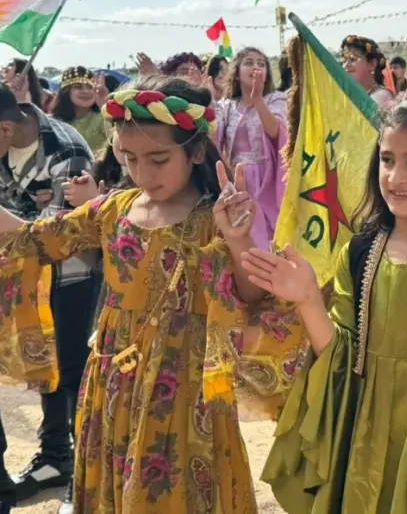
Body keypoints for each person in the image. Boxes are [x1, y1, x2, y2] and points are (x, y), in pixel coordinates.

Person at [0, 76, 305, 512]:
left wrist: (238, 239)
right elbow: (33, 238)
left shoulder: (213, 218)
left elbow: (251, 298)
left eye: (158, 159)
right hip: (114, 377)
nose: (143, 173)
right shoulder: (113, 209)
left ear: (195, 152)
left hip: (186, 382)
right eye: (129, 158)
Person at [247, 94, 407, 513]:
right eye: (387, 159)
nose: (396, 176)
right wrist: (308, 299)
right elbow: (340, 353)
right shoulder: (359, 251)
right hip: (359, 431)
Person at [0, 82, 99, 514]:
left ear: (5, 129)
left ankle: (85, 477)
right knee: (46, 366)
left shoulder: (64, 150)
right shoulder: (7, 142)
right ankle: (56, 457)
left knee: (74, 370)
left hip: (70, 275)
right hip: (25, 278)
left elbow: (61, 235)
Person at [216, 46, 288, 251]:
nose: (256, 67)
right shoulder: (226, 106)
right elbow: (213, 138)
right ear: (237, 73)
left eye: (261, 64)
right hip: (236, 179)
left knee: (269, 240)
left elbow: (277, 132)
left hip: (266, 179)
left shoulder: (276, 99)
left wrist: (257, 100)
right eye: (249, 63)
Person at [52, 67, 109, 152]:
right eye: (78, 87)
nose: (86, 91)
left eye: (90, 87)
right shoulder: (53, 122)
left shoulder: (103, 118)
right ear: (66, 92)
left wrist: (105, 106)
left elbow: (117, 139)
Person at [340, 35, 394, 108]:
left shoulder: (380, 97)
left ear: (372, 64)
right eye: (344, 60)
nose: (345, 65)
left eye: (353, 59)